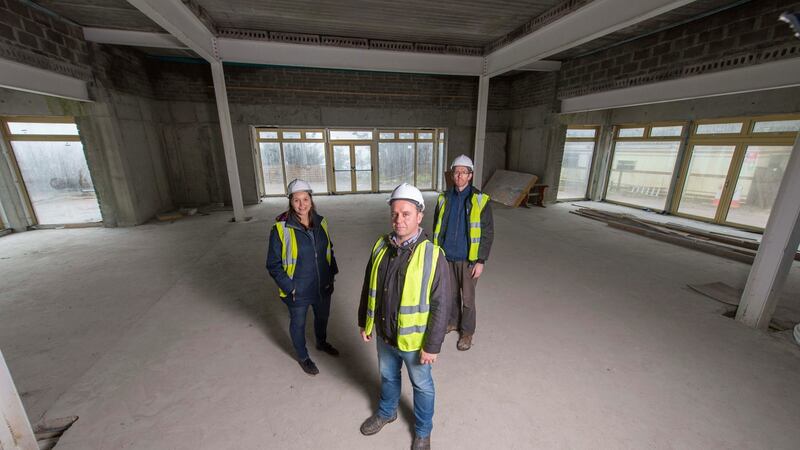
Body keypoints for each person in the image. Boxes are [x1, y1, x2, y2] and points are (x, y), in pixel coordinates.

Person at [358, 183, 450, 450]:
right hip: (385, 334)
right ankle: (387, 412)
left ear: (420, 216)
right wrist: (365, 320)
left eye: (406, 213)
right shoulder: (380, 246)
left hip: (415, 342)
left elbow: (442, 305)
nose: (399, 220)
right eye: (395, 213)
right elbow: (369, 285)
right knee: (388, 377)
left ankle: (423, 431)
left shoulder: (433, 255)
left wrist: (432, 345)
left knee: (422, 386)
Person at [266, 179, 339, 375]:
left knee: (322, 317)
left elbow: (328, 249)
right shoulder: (281, 229)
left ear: (311, 199)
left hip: (322, 284)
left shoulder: (321, 221)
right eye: (296, 200)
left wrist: (331, 274)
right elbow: (273, 264)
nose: (302, 204)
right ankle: (303, 356)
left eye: (305, 199)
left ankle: (321, 342)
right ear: (290, 202)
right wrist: (290, 287)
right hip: (297, 289)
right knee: (298, 323)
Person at [432, 155, 494, 351]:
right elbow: (437, 227)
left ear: (470, 175)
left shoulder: (480, 200)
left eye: (463, 172)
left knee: (467, 298)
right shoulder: (444, 198)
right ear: (452, 174)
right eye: (456, 172)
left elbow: (487, 232)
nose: (459, 175)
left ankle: (467, 332)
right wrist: (436, 254)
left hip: (469, 259)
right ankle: (452, 322)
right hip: (446, 256)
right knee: (448, 295)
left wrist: (481, 260)